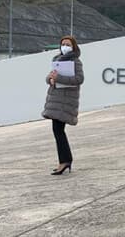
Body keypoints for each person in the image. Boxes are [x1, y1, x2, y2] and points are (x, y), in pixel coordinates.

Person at [42, 36, 84, 175]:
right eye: (63, 44)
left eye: (68, 44)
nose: (65, 46)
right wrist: (51, 79)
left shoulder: (75, 61)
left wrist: (58, 78)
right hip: (56, 100)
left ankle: (65, 161)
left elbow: (79, 79)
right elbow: (49, 77)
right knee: (58, 131)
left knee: (58, 131)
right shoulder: (57, 60)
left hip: (65, 102)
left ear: (73, 46)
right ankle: (65, 161)